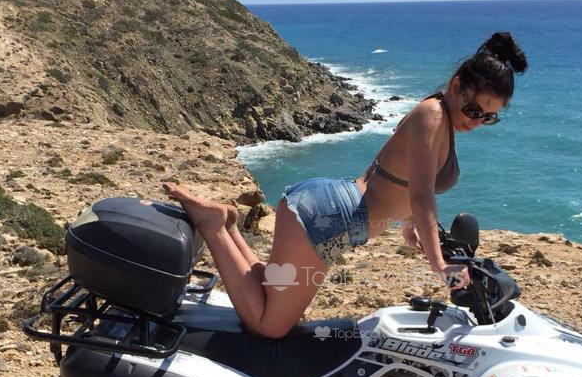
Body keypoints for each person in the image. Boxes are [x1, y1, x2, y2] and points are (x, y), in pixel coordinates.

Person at [164, 31, 527, 338]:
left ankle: (229, 227)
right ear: (457, 86)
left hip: (332, 213)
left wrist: (409, 225)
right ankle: (214, 227)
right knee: (269, 326)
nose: (477, 121)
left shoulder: (443, 118)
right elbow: (420, 196)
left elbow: (402, 178)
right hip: (329, 219)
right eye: (474, 110)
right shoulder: (433, 115)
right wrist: (439, 266)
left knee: (272, 287)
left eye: (489, 117)